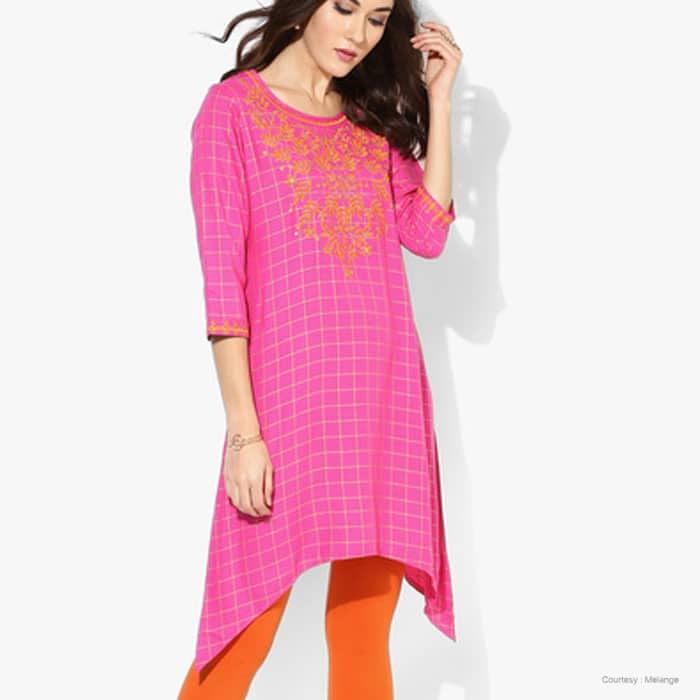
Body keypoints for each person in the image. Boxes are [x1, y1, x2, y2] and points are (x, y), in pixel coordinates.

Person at [178, 1, 462, 698]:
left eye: (378, 18)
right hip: (287, 412)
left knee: (363, 641)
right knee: (236, 644)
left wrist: (439, 100)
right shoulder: (231, 113)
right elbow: (224, 288)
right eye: (345, 8)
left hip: (385, 410)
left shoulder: (368, 122)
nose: (359, 34)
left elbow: (426, 234)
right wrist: (243, 434)